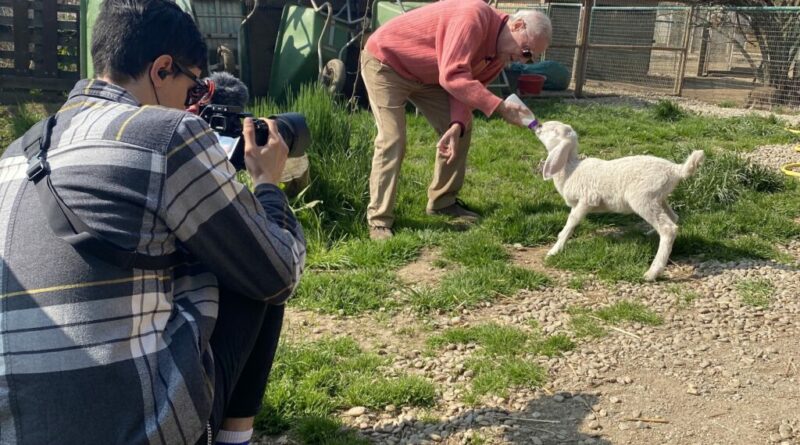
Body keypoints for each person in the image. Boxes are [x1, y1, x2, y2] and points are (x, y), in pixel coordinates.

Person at [0, 1, 305, 444]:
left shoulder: (14, 153)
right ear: (162, 70)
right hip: (133, 433)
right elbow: (276, 272)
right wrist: (266, 184)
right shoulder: (167, 133)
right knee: (249, 254)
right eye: (194, 88)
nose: (193, 103)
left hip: (18, 430)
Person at [360, 0, 552, 240]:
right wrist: (500, 107)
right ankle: (379, 220)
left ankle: (443, 202)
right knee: (393, 138)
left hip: (430, 76)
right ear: (518, 25)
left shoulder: (498, 57)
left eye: (530, 59)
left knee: (463, 129)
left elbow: (468, 87)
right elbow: (453, 75)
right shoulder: (474, 16)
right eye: (525, 51)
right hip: (387, 63)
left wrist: (456, 125)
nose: (523, 61)